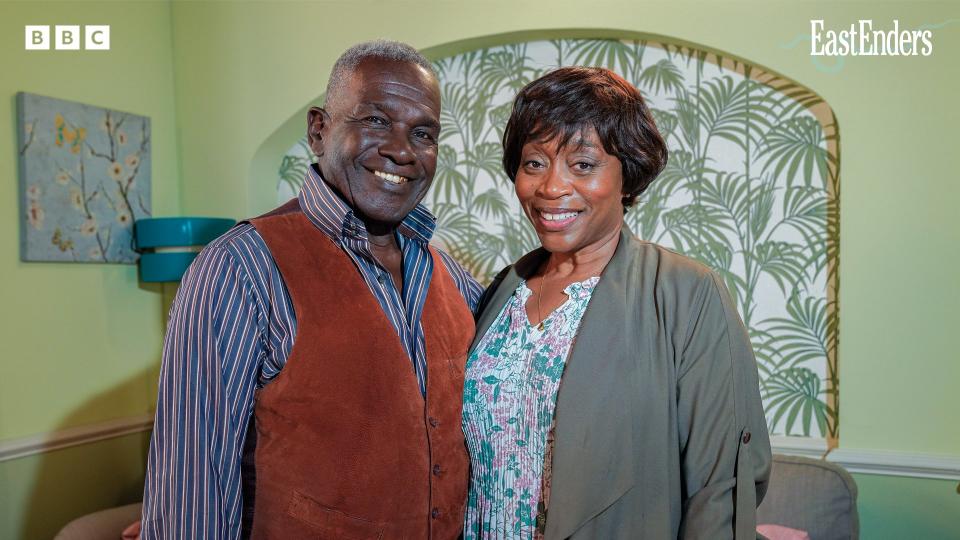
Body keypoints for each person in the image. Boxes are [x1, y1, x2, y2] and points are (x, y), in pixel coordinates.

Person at [140, 40, 482, 539]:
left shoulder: (453, 279)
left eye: (423, 132)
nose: (402, 150)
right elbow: (193, 488)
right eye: (376, 120)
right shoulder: (238, 268)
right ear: (319, 130)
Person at [461, 67, 772, 539]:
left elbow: (720, 487)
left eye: (583, 165)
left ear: (628, 176)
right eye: (534, 163)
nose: (551, 188)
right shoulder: (506, 287)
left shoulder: (686, 293)